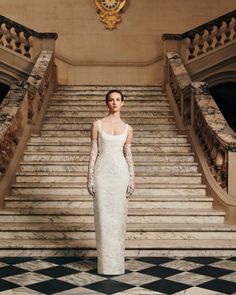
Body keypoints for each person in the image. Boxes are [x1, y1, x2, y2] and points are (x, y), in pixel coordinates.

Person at [87, 89, 135, 275]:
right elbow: (93, 152)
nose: (114, 103)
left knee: (119, 220)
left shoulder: (128, 129)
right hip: (102, 175)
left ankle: (117, 266)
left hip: (120, 176)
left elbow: (128, 155)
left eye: (117, 100)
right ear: (106, 103)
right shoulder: (97, 124)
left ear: (123, 103)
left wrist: (132, 178)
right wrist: (89, 177)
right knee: (103, 219)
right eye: (111, 100)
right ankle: (105, 266)